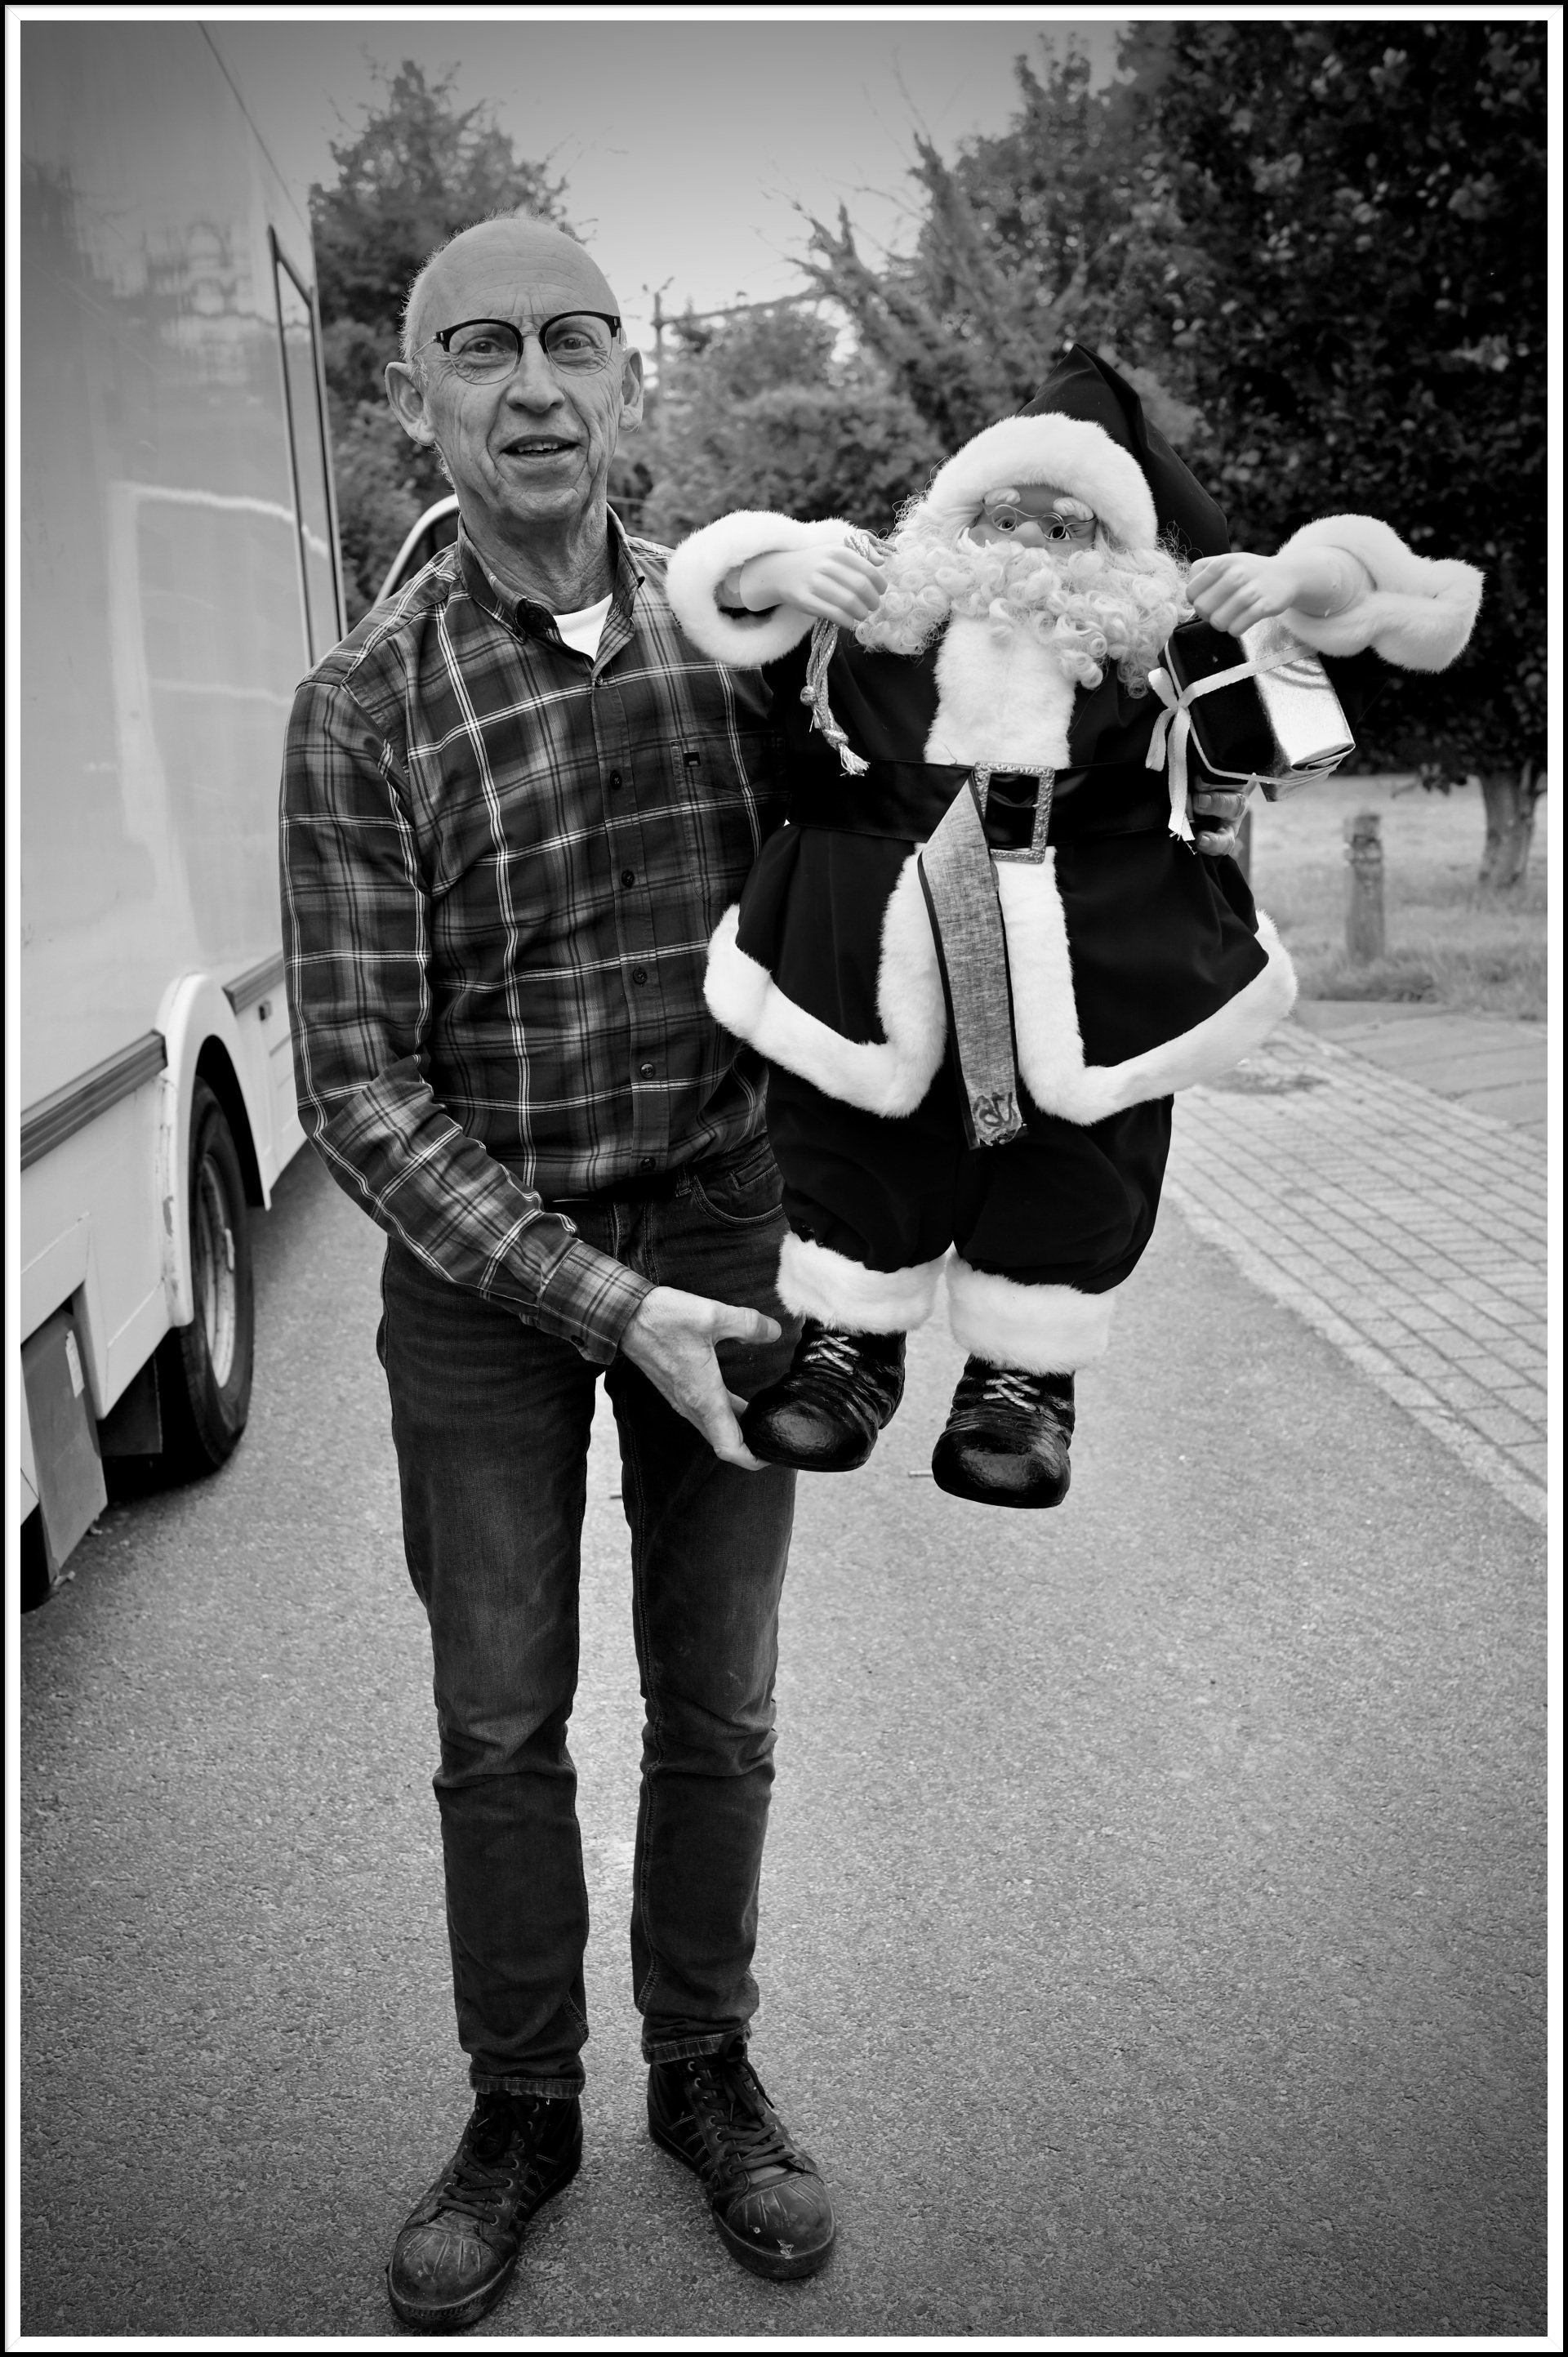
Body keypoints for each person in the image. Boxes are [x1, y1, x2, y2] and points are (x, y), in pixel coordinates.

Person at [280, 216, 837, 2333]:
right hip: (483, 1277)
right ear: (413, 396)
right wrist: (606, 1306)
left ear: (631, 379)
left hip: (722, 1219)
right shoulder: (361, 707)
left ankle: (705, 2069)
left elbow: (886, 880)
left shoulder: (744, 645)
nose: (535, 383)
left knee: (723, 1695)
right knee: (500, 1719)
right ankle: (522, 2106)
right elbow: (357, 1083)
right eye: (484, 347)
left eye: (575, 341)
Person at [663, 345, 1483, 1509]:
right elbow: (717, 584)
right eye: (1005, 512)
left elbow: (1392, 641)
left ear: (1124, 545)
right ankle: (850, 1344)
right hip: (875, 937)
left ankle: (1023, 1377)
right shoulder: (877, 602)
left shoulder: (1169, 639)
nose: (1032, 539)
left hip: (1088, 942)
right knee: (855, 1131)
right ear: (956, 513)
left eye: (1069, 522)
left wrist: (1294, 586)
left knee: (1075, 1150)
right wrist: (778, 559)